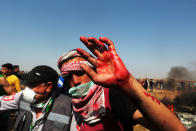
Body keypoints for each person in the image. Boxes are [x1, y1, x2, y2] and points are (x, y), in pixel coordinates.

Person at [58, 36, 186, 131]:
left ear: (93, 70)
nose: (75, 81)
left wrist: (128, 84)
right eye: (68, 77)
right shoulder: (73, 101)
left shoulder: (111, 96)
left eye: (80, 73)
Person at [0, 65, 72, 131]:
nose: (27, 89)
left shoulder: (68, 106)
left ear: (48, 87)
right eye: (27, 84)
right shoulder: (22, 97)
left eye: (32, 84)